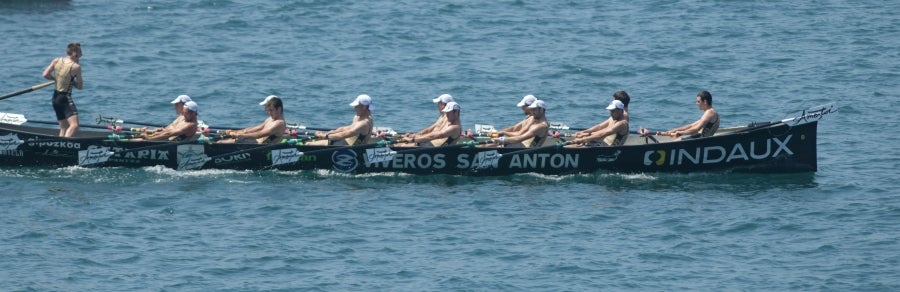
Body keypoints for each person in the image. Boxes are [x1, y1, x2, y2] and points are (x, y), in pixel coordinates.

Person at [41, 42, 83, 137]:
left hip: (55, 98)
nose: (82, 54)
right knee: (74, 125)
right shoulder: (76, 67)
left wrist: (55, 79)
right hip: (65, 98)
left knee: (64, 127)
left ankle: (59, 145)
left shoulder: (57, 60)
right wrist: (72, 81)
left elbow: (45, 74)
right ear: (74, 53)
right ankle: (65, 144)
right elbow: (80, 87)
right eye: (80, 52)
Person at [219, 95, 287, 144]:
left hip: (262, 148)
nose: (269, 113)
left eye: (271, 110)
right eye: (268, 110)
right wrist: (238, 132)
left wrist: (241, 136)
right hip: (256, 143)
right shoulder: (271, 118)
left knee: (221, 142)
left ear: (279, 109)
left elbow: (259, 134)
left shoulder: (279, 123)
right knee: (224, 140)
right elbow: (257, 128)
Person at [397, 101, 462, 147]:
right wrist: (415, 136)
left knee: (402, 145)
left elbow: (433, 136)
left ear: (456, 112)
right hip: (431, 145)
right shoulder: (452, 123)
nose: (446, 115)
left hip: (434, 150)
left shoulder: (455, 128)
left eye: (448, 113)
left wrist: (413, 140)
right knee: (400, 144)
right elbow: (432, 134)